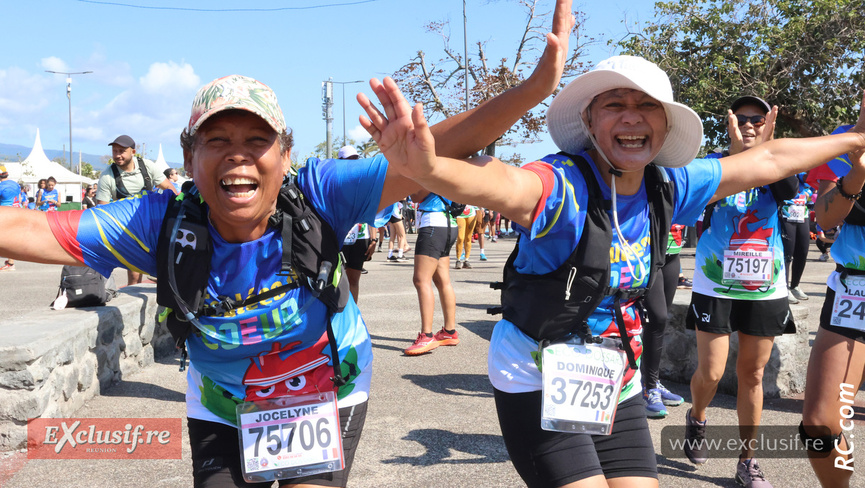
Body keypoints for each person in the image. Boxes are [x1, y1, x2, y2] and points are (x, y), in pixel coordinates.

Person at [0, 2, 578, 482]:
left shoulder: (321, 192)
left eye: (258, 139)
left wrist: (536, 87)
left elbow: (440, 146)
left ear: (286, 156)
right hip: (223, 401)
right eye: (216, 139)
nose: (238, 153)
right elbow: (26, 228)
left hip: (328, 387)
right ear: (188, 159)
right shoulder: (159, 222)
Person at [359, 53, 865, 487]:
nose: (632, 117)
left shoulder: (668, 185)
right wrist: (426, 169)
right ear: (590, 121)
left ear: (665, 126)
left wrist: (854, 139)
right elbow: (504, 186)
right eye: (615, 105)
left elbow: (770, 159)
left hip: (612, 376)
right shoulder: (560, 186)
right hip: (536, 372)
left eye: (647, 106)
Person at [685, 95, 802, 487]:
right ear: (730, 122)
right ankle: (697, 418)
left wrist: (767, 148)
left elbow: (788, 189)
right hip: (714, 284)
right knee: (712, 372)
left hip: (765, 287)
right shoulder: (714, 164)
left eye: (758, 118)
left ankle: (747, 461)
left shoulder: (778, 163)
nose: (750, 124)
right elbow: (705, 197)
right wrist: (737, 153)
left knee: (752, 374)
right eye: (743, 118)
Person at [800, 124, 865, 488]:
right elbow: (824, 220)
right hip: (854, 289)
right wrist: (856, 175)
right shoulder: (846, 139)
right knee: (820, 426)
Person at [97, 134, 176, 286]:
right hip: (129, 227)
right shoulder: (107, 176)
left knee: (166, 264)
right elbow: (101, 210)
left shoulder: (147, 166)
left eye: (121, 151)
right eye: (115, 151)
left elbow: (171, 191)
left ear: (133, 152)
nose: (117, 155)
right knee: (134, 274)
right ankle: (133, 296)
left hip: (154, 223)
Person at [640, 222, 688, 418]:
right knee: (656, 316)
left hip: (673, 250)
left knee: (659, 322)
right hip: (646, 250)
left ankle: (652, 382)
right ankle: (648, 388)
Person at [337, 145, 378, 302]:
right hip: (339, 237)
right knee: (337, 280)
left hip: (360, 237)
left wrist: (373, 239)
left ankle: (353, 317)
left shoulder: (364, 183)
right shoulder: (335, 182)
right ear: (340, 161)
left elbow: (371, 211)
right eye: (349, 160)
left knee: (354, 280)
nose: (353, 163)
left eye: (355, 159)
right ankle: (337, 316)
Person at [780, 172, 813, 303]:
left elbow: (809, 182)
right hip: (786, 211)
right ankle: (785, 288)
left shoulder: (803, 169)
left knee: (803, 251)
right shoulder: (789, 170)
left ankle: (795, 286)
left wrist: (808, 194)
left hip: (802, 212)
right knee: (788, 252)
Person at [0, 165, 21, 271]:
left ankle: (11, 263)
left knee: (7, 238)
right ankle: (10, 261)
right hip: (17, 210)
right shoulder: (15, 184)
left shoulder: (1, 186)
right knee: (10, 237)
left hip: (6, 213)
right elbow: (20, 198)